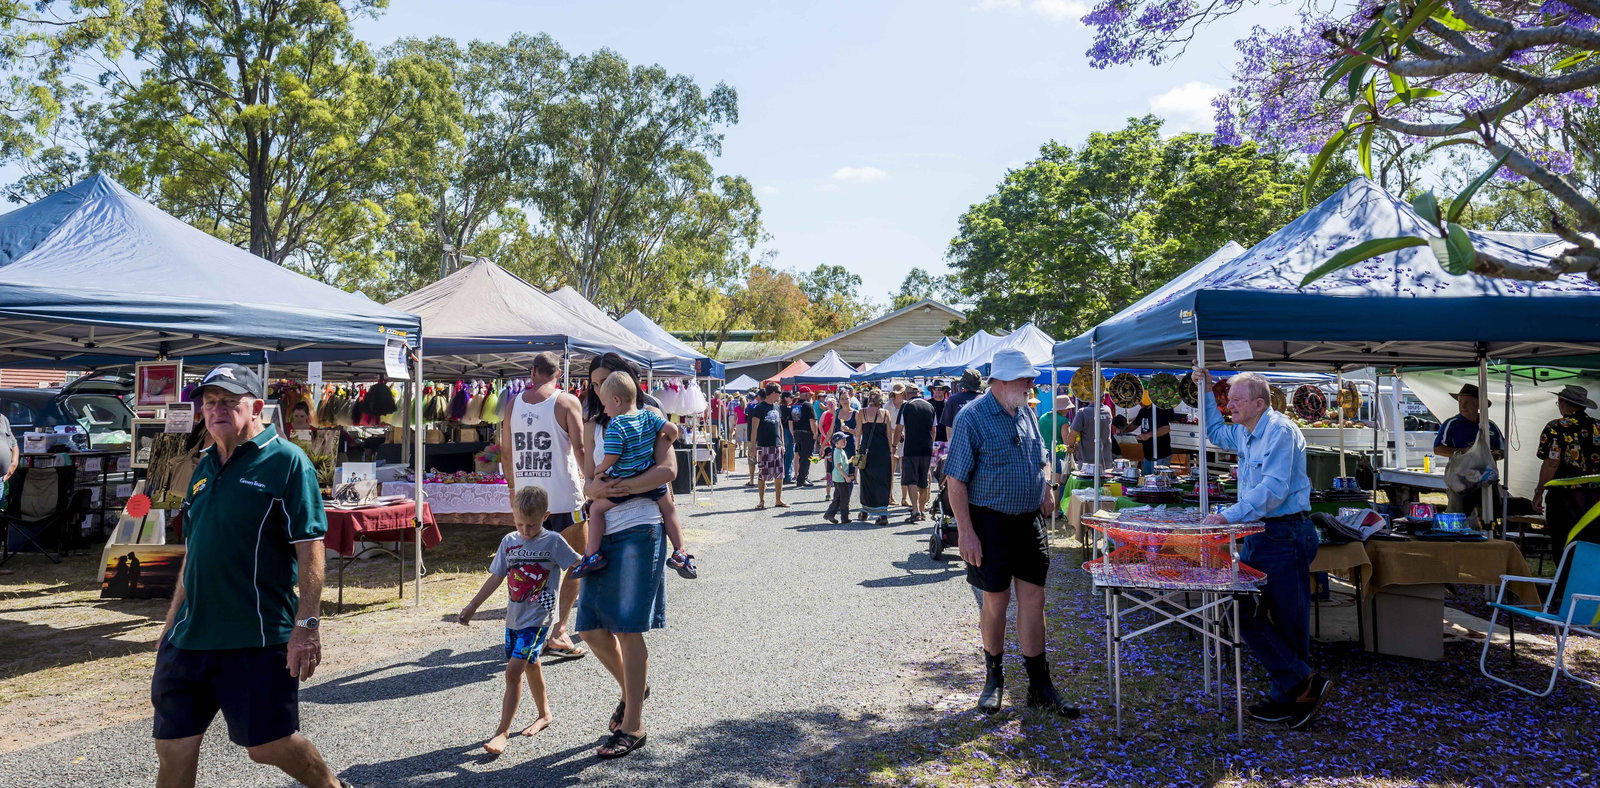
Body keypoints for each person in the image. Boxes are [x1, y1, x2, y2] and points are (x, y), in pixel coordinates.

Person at [151, 364, 350, 788]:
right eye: (209, 402)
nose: (216, 409)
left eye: (228, 401)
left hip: (255, 637)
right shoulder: (199, 465)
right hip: (189, 638)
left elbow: (310, 547)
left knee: (269, 745)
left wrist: (307, 626)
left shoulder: (286, 461)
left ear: (257, 407)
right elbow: (197, 550)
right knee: (173, 748)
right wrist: (171, 620)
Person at [946, 349, 1077, 718]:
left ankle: (1040, 686)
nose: (1031, 385)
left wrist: (1047, 489)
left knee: (1034, 597)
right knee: (996, 600)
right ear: (1001, 382)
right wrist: (966, 533)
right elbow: (955, 480)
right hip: (989, 523)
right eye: (1025, 379)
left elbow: (1040, 458)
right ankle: (994, 679)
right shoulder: (972, 417)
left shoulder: (1027, 413)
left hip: (1028, 521)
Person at [1196, 368, 1329, 730]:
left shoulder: (1280, 431)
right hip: (1260, 533)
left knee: (1289, 621)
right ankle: (1302, 683)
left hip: (1284, 534)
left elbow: (1274, 490)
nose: (1230, 405)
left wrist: (1228, 517)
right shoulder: (1246, 430)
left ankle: (1288, 699)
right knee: (1240, 609)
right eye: (1228, 399)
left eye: (1236, 400)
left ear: (1259, 403)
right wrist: (1206, 390)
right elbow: (1213, 432)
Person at [458, 486, 581, 755]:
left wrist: (585, 582)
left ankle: (502, 732)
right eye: (520, 524)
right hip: (514, 618)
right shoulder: (509, 541)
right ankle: (545, 714)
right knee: (532, 665)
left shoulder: (553, 541)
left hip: (538, 620)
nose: (525, 530)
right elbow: (496, 576)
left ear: (546, 516)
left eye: (532, 524)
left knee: (513, 672)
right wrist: (473, 606)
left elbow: (577, 564)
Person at [577, 442, 679, 759]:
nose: (596, 391)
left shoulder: (647, 416)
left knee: (627, 629)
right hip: (601, 536)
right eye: (595, 387)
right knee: (589, 628)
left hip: (640, 531)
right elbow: (588, 482)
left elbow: (668, 473)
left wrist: (626, 486)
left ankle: (633, 725)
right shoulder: (594, 419)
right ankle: (634, 689)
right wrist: (594, 489)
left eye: (601, 388)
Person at [500, 351, 593, 659]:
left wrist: (514, 489)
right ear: (558, 375)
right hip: (564, 496)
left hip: (528, 498)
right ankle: (558, 631)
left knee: (530, 566)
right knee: (575, 563)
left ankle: (529, 630)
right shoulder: (566, 402)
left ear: (532, 371)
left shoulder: (514, 404)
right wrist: (590, 480)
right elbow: (579, 448)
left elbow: (505, 451)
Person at [571, 371, 696, 580]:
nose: (604, 410)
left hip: (622, 480)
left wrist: (599, 470)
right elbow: (672, 429)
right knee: (669, 509)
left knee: (597, 509)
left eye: (606, 405)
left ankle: (592, 554)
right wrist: (670, 438)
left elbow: (612, 455)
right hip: (650, 479)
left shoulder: (616, 426)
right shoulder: (649, 415)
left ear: (616, 400)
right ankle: (680, 551)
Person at [1534, 385, 1600, 544]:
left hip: (1565, 497)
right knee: (1592, 543)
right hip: (1596, 497)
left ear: (1563, 402)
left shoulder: (1555, 427)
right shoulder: (1597, 426)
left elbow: (1551, 464)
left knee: (1564, 542)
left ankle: (1566, 569)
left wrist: (1539, 492)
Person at [1433, 383, 1506, 514]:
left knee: (1492, 514)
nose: (1463, 406)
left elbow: (1503, 450)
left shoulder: (1490, 426)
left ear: (1479, 405)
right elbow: (1438, 449)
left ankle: (1491, 532)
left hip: (1487, 480)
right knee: (1459, 516)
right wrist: (1465, 451)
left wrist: (1495, 455)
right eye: (1460, 402)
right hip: (1461, 482)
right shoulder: (1452, 424)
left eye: (1468, 402)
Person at [896, 386, 937, 523]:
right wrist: (930, 443)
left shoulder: (906, 406)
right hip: (926, 448)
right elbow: (934, 430)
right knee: (924, 480)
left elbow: (899, 428)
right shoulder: (930, 406)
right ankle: (921, 509)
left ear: (906, 394)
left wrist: (893, 446)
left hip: (911, 448)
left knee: (911, 480)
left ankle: (915, 510)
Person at [854, 390, 894, 525]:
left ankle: (865, 511)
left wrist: (856, 450)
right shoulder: (885, 413)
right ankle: (882, 514)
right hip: (882, 450)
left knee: (867, 481)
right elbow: (889, 435)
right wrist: (890, 451)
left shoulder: (862, 412)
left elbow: (858, 434)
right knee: (883, 480)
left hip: (866, 450)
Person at [747, 384, 788, 509]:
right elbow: (754, 428)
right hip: (764, 445)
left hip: (777, 444)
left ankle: (778, 499)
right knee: (763, 473)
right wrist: (753, 446)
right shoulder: (759, 408)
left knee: (780, 474)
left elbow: (780, 425)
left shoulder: (777, 406)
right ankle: (761, 501)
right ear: (772, 392)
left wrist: (783, 443)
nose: (780, 394)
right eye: (779, 392)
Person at [1066, 397, 1115, 470]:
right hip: (1106, 460)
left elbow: (1072, 435)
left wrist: (1071, 447)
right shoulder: (1107, 410)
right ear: (1103, 399)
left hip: (1087, 462)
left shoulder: (1083, 412)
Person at [1131, 399, 1175, 474]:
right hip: (1148, 454)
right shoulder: (1143, 411)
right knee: (1146, 480)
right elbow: (1134, 425)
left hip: (1161, 453)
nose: (1139, 403)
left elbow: (1166, 429)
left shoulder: (1159, 410)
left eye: (1141, 400)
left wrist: (1148, 435)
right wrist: (1122, 430)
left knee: (1160, 480)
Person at [823, 432, 856, 524]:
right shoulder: (837, 452)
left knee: (837, 497)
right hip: (840, 478)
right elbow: (839, 466)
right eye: (842, 440)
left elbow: (844, 463)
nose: (845, 441)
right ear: (836, 443)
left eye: (845, 440)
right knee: (844, 498)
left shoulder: (841, 451)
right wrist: (846, 477)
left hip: (838, 478)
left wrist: (850, 460)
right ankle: (844, 518)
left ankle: (829, 514)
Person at [939, 370, 982, 436]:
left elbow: (949, 427)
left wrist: (951, 444)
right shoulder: (985, 399)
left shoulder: (953, 399)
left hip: (960, 442)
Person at [792, 387, 820, 488]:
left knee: (801, 456)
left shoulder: (795, 405)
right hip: (807, 433)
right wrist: (815, 433)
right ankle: (802, 479)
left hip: (797, 433)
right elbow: (812, 420)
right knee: (806, 456)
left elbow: (792, 421)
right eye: (810, 394)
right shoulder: (808, 405)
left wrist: (793, 433)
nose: (811, 396)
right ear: (806, 394)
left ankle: (803, 476)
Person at [887, 383, 908, 506]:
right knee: (890, 469)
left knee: (903, 469)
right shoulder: (888, 405)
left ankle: (904, 498)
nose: (900, 394)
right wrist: (896, 431)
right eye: (898, 392)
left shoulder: (907, 405)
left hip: (905, 439)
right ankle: (890, 497)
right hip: (891, 439)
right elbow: (886, 423)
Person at [779, 390, 796, 484]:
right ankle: (787, 476)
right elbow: (791, 422)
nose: (792, 399)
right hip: (788, 431)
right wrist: (793, 434)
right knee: (789, 454)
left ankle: (782, 476)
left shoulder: (778, 407)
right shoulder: (789, 408)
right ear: (785, 398)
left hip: (780, 432)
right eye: (791, 397)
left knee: (783, 455)